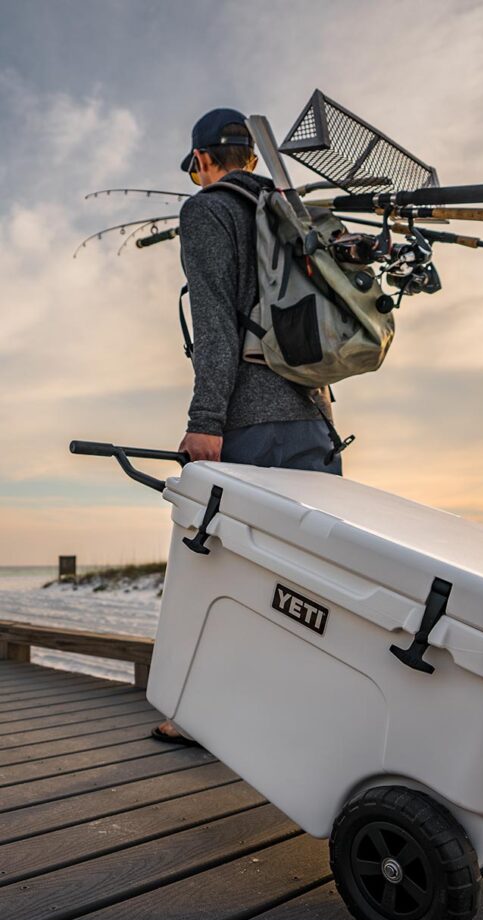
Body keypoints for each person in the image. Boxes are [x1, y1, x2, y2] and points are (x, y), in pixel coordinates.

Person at [152, 107, 342, 745]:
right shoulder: (293, 213)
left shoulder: (207, 211)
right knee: (304, 579)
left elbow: (214, 324)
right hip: (316, 419)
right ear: (252, 158)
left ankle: (202, 713)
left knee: (222, 568)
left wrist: (205, 421)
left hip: (250, 427)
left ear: (202, 160)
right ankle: (293, 719)